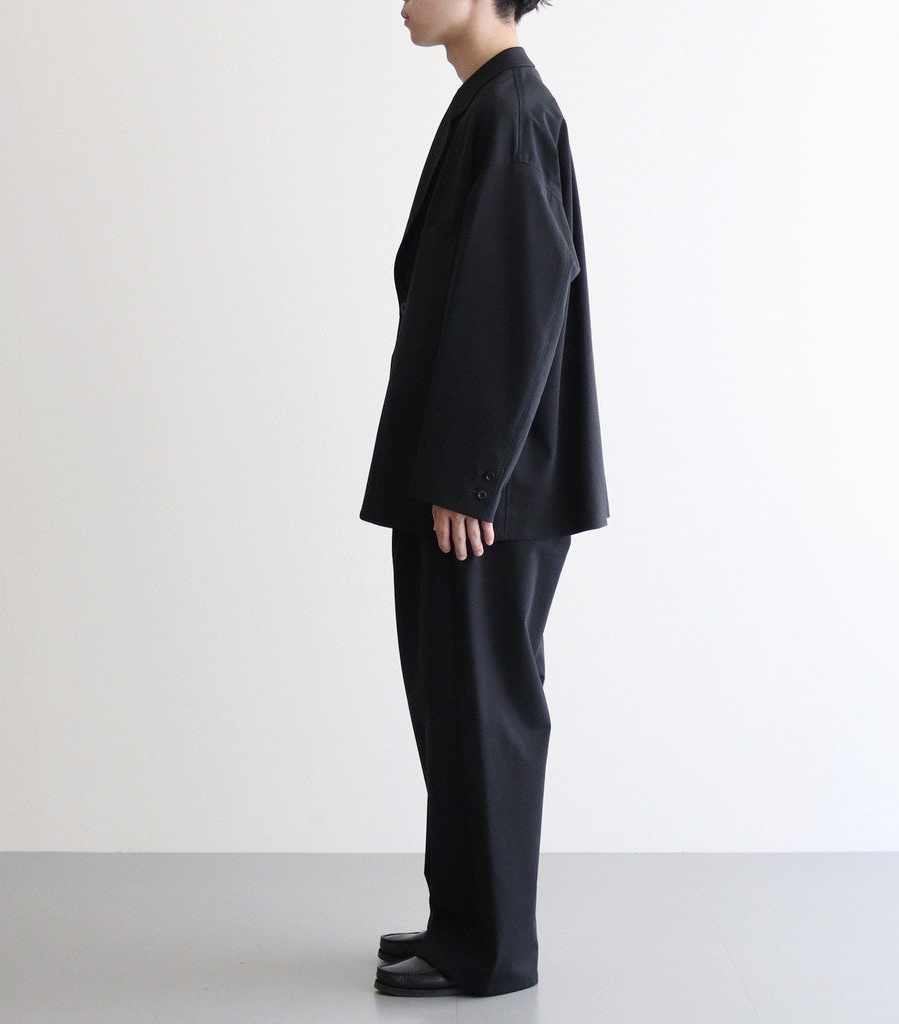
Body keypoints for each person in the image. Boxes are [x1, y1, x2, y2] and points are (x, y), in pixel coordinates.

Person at [359, 0, 609, 998]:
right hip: (463, 479)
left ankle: (493, 948)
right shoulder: (489, 104)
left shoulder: (511, 111)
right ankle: (460, 921)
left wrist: (470, 476)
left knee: (485, 706)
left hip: (486, 490)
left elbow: (521, 296)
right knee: (453, 701)